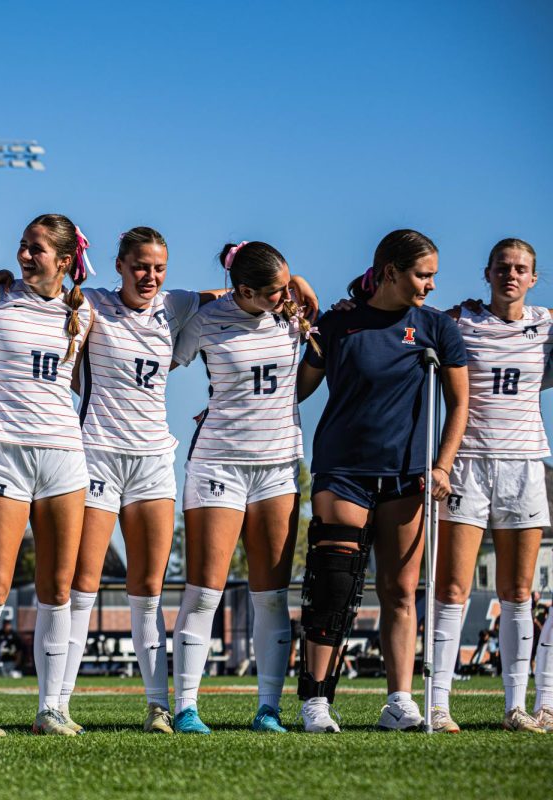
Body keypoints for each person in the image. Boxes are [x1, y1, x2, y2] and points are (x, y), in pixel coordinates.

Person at [294, 229, 468, 733]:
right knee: (333, 585)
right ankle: (316, 701)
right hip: (342, 470)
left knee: (399, 589)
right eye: (422, 275)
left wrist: (442, 465)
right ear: (390, 272)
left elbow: (459, 404)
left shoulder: (436, 328)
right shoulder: (339, 324)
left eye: (433, 275)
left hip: (407, 475)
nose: (431, 285)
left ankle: (398, 701)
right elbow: (295, 389)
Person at [169, 241, 317, 734]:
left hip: (277, 467)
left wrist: (297, 288)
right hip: (218, 463)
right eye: (276, 290)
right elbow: (160, 362)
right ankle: (186, 708)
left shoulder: (293, 314)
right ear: (246, 290)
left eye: (288, 285)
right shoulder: (207, 321)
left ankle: (268, 710)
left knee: (271, 595)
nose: (287, 294)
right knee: (203, 592)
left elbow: (307, 314)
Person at [0, 213, 93, 736]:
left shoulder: (85, 311)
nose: (23, 256)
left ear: (64, 260)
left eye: (36, 249)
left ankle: (51, 709)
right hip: (3, 452)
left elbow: (155, 297)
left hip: (64, 455)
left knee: (57, 588)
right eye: (22, 246)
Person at [429, 238, 550, 733]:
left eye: (521, 269)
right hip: (467, 465)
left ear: (534, 278)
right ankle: (439, 703)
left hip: (525, 465)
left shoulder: (546, 326)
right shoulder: (457, 321)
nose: (511, 275)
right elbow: (406, 323)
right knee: (453, 588)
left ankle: (516, 707)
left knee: (519, 591)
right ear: (487, 272)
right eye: (503, 267)